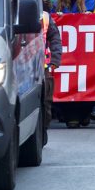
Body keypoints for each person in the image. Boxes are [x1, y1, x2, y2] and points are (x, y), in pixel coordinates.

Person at [41, 9, 62, 145]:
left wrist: (55, 60)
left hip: (42, 66)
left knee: (45, 103)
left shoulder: (45, 17)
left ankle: (43, 130)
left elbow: (55, 39)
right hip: (17, 65)